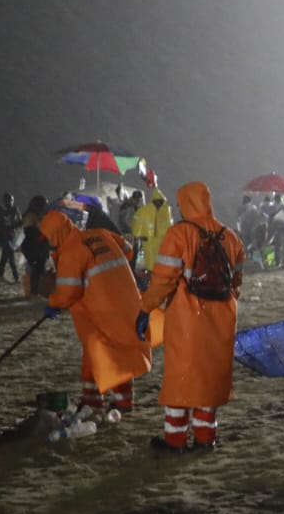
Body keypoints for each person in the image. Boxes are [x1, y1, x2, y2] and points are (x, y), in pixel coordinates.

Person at [138, 183, 246, 452]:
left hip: (188, 319)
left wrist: (145, 308)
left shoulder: (180, 233)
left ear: (186, 203)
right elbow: (237, 281)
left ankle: (174, 440)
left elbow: (163, 279)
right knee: (210, 379)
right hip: (223, 318)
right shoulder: (230, 236)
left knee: (182, 378)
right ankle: (205, 438)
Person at [39, 206, 152, 413]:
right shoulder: (100, 233)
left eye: (49, 239)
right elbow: (128, 250)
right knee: (96, 350)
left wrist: (53, 304)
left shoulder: (70, 252)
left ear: (56, 235)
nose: (50, 245)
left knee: (112, 352)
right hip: (126, 299)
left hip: (102, 309)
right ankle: (93, 399)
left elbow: (68, 293)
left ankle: (122, 403)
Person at [130, 187, 173, 276]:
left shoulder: (166, 212)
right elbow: (136, 225)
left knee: (158, 264)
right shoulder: (144, 211)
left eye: (160, 201)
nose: (158, 203)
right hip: (148, 242)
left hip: (160, 242)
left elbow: (169, 226)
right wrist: (138, 236)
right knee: (149, 263)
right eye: (156, 201)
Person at [18, 196, 52, 297]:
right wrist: (45, 236)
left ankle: (38, 291)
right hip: (32, 246)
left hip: (38, 246)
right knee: (36, 269)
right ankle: (34, 293)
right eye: (43, 205)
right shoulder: (30, 216)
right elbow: (32, 234)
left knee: (39, 268)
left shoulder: (39, 215)